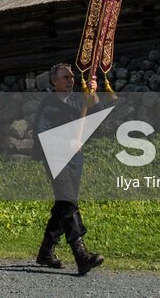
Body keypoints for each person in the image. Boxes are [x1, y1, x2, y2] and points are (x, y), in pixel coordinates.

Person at [35, 63, 105, 275]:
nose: (70, 80)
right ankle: (80, 254)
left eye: (71, 76)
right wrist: (67, 141)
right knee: (68, 201)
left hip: (75, 160)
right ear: (54, 82)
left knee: (64, 205)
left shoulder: (77, 101)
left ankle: (46, 252)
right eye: (65, 77)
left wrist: (93, 96)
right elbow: (41, 135)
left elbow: (97, 117)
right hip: (55, 159)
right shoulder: (47, 106)